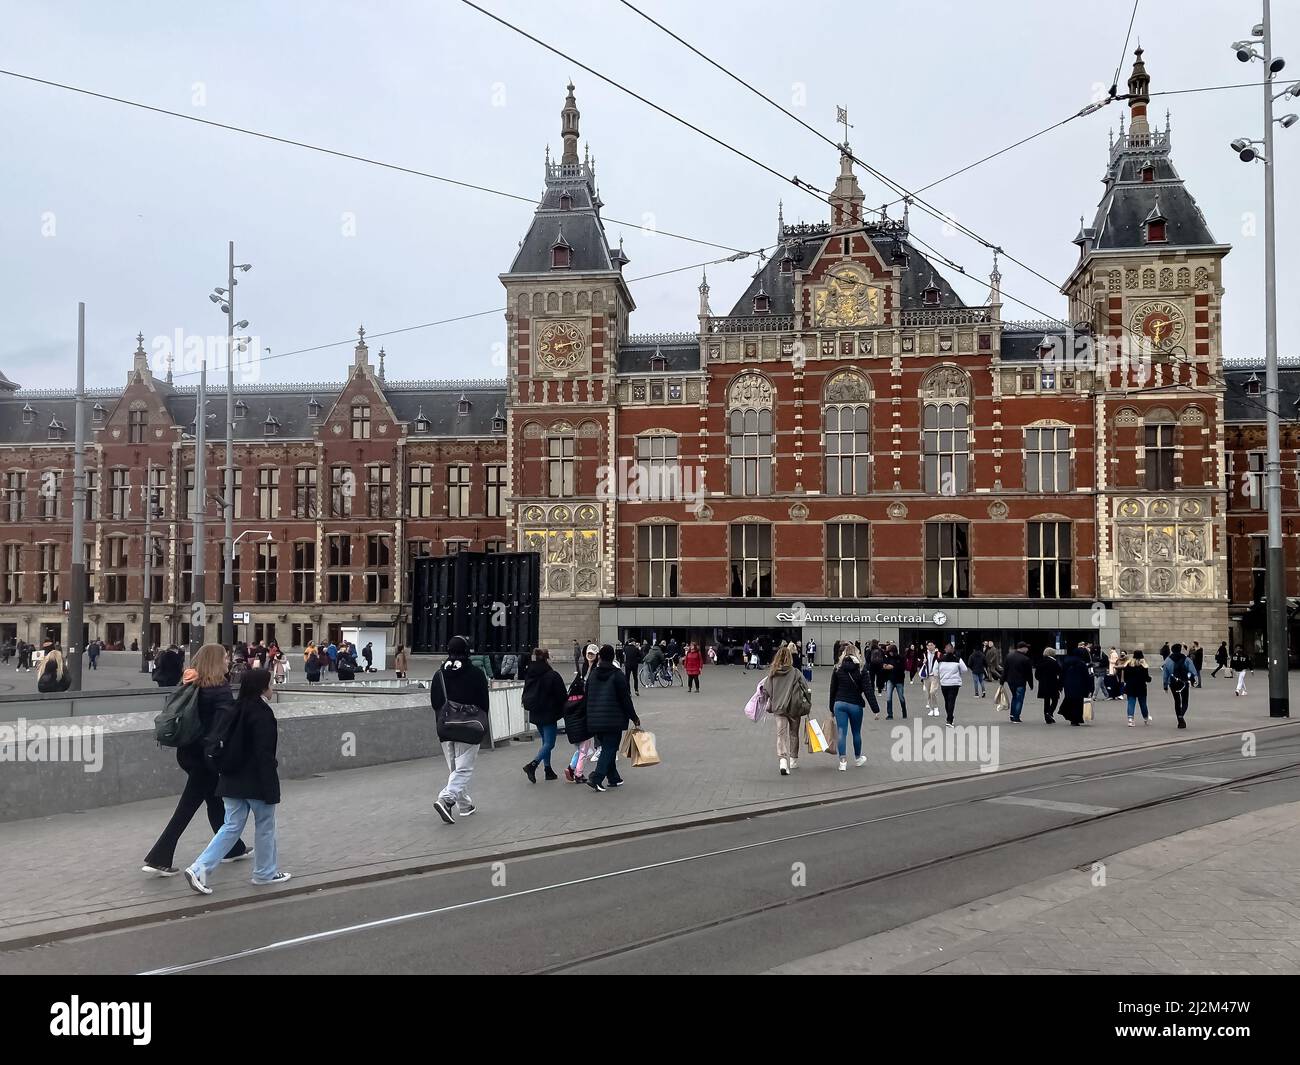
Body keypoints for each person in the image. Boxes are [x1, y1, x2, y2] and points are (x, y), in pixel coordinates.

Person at [142, 643, 250, 876]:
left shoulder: (191, 683)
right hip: (205, 758)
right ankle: (159, 856)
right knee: (186, 808)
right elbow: (223, 725)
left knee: (213, 800)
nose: (228, 661)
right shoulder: (219, 688)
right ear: (215, 661)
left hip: (186, 752)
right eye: (225, 657)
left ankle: (233, 848)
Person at [183, 668, 289, 894]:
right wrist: (272, 788)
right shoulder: (262, 713)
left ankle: (199, 868)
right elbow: (264, 754)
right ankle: (264, 873)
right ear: (262, 687)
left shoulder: (233, 707)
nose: (274, 687)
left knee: (231, 826)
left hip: (230, 779)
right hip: (255, 782)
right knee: (265, 826)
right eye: (271, 683)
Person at [431, 636, 490, 823]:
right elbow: (483, 703)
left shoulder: (439, 674)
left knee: (455, 770)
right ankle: (446, 799)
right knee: (463, 769)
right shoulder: (476, 674)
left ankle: (464, 806)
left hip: (446, 727)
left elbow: (435, 702)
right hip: (469, 727)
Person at [583, 644, 641, 792]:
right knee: (610, 748)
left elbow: (587, 696)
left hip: (595, 719)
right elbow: (625, 699)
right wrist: (634, 717)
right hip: (613, 720)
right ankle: (596, 778)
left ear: (600, 657)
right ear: (613, 657)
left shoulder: (593, 674)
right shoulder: (617, 675)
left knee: (607, 747)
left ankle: (614, 778)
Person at [763, 644, 811, 775]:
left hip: (779, 708)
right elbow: (805, 688)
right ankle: (793, 760)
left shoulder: (773, 673)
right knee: (794, 734)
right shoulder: (795, 672)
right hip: (794, 707)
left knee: (781, 734)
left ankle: (782, 760)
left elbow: (766, 690)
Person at [521, 648, 566, 783]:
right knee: (550, 744)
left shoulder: (531, 673)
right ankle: (532, 765)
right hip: (549, 713)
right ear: (547, 658)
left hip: (535, 712)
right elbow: (562, 695)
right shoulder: (552, 675)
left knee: (545, 742)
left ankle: (548, 770)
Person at [828, 644, 870, 771]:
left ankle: (842, 762)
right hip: (855, 704)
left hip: (839, 703)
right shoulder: (862, 669)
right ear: (857, 654)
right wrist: (876, 709)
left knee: (842, 731)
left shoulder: (837, 668)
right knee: (856, 732)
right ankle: (857, 758)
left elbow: (832, 690)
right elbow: (868, 690)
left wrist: (831, 708)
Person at [1162, 642, 1197, 729]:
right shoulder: (1186, 659)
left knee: (1177, 701)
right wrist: (1192, 679)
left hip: (1173, 683)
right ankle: (1181, 715)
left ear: (1172, 650)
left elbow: (1165, 674)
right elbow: (1193, 671)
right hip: (1184, 682)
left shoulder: (1167, 660)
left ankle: (1180, 720)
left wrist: (1165, 685)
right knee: (1185, 701)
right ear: (1180, 649)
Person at [1058, 644, 1092, 726]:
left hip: (1068, 685)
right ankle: (1076, 719)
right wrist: (1090, 688)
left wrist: (1060, 686)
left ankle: (1071, 717)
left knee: (1070, 700)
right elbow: (1087, 677)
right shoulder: (1082, 664)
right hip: (1080, 685)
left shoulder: (1066, 662)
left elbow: (1062, 674)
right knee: (1078, 703)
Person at [935, 644, 967, 727]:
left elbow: (935, 671)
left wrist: (940, 675)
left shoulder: (939, 660)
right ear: (953, 650)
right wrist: (958, 672)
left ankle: (949, 718)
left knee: (947, 701)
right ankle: (949, 719)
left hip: (944, 683)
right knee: (951, 701)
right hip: (954, 683)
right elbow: (965, 669)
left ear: (945, 650)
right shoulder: (958, 659)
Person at [1003, 642, 1035, 724]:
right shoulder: (1025, 659)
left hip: (1010, 681)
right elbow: (1029, 674)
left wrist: (1002, 680)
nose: (1027, 649)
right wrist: (1031, 684)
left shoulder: (1009, 656)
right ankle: (1016, 717)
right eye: (1026, 648)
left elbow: (1005, 669)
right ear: (1022, 648)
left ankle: (1012, 715)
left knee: (1014, 697)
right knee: (1019, 699)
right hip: (1020, 682)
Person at [1122, 650, 1152, 726]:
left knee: (1131, 703)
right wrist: (1150, 678)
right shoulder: (1144, 666)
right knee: (1143, 703)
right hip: (1141, 686)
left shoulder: (1128, 664)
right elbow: (1147, 678)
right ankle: (1146, 718)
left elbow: (1125, 678)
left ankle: (1130, 719)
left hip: (1130, 686)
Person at [1036, 647, 1062, 724]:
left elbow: (1037, 674)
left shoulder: (1040, 661)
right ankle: (1050, 713)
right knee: (1055, 699)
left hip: (1043, 684)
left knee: (1046, 701)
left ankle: (1047, 717)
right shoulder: (1054, 662)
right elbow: (1059, 671)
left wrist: (1041, 679)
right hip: (1053, 683)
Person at [883, 642, 908, 719]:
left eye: (891, 651)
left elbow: (903, 668)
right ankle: (890, 714)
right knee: (888, 697)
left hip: (899, 680)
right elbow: (883, 665)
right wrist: (885, 666)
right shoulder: (887, 658)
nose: (890, 653)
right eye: (889, 652)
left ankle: (904, 712)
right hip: (890, 679)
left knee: (901, 697)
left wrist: (893, 667)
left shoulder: (901, 658)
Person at [919, 641, 942, 717]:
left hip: (934, 676)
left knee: (933, 692)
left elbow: (941, 663)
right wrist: (923, 662)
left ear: (934, 646)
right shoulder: (924, 654)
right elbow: (920, 664)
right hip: (926, 676)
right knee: (928, 693)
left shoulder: (938, 654)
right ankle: (931, 709)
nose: (930, 646)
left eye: (931, 645)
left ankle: (936, 708)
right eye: (928, 645)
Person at [984, 640, 1003, 706]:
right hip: (990, 662)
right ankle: (990, 678)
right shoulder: (990, 649)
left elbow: (995, 656)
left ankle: (1000, 677)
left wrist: (991, 660)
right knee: (990, 670)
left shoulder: (993, 649)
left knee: (993, 670)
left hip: (992, 662)